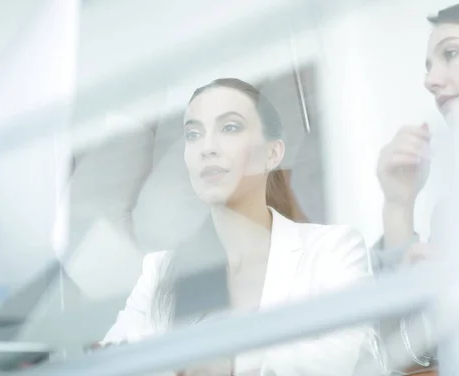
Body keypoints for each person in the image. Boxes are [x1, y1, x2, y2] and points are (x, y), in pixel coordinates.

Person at [101, 78, 371, 375]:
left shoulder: (333, 249)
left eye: (229, 128)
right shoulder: (160, 271)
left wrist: (226, 360)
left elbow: (337, 359)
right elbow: (111, 365)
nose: (207, 147)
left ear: (273, 153)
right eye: (193, 134)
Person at [373, 1, 459, 375]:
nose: (430, 81)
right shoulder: (457, 212)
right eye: (428, 66)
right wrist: (398, 205)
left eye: (451, 53)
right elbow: (412, 355)